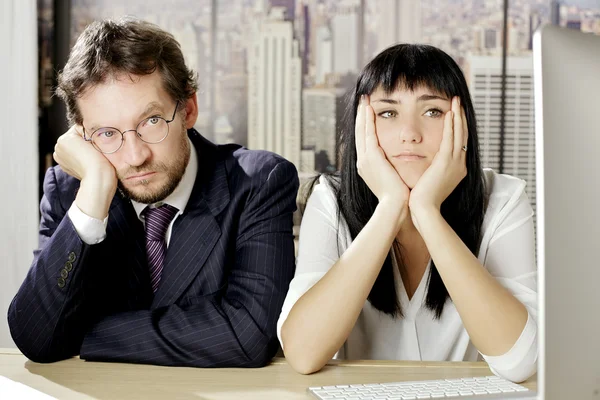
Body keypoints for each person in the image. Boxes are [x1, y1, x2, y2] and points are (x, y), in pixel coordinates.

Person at [8, 18, 299, 368]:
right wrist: (96, 188)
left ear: (188, 109)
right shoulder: (73, 190)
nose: (136, 156)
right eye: (106, 133)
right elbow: (36, 337)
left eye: (151, 121)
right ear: (82, 136)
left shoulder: (258, 183)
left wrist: (80, 334)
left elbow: (248, 334)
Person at [277, 44, 537, 382]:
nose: (410, 134)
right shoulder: (331, 200)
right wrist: (390, 208)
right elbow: (303, 353)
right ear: (361, 125)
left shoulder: (502, 199)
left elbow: (519, 361)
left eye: (432, 111)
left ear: (462, 123)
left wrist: (427, 213)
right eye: (388, 113)